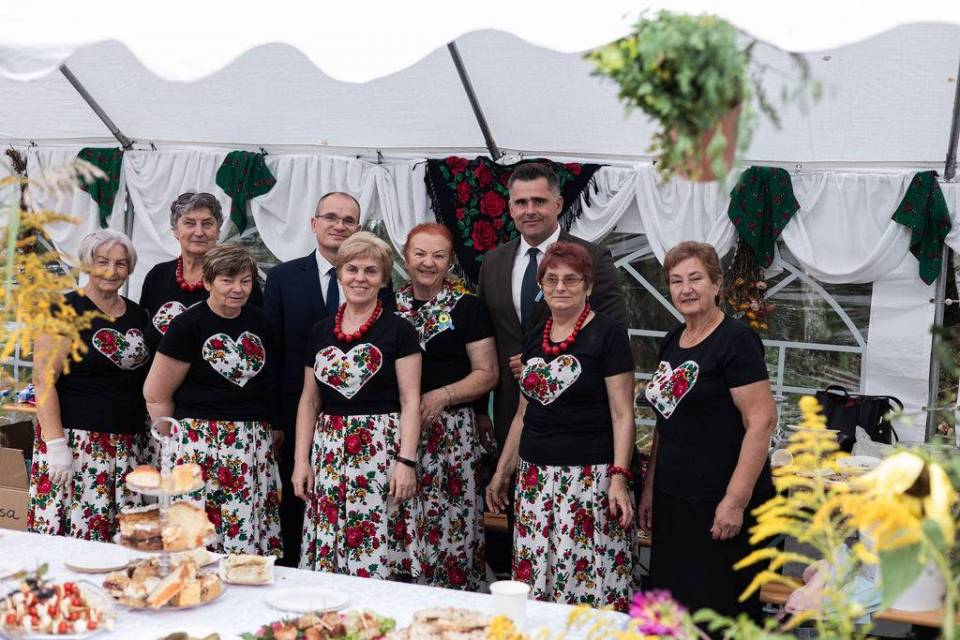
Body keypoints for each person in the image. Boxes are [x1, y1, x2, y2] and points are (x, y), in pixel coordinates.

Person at [486, 242, 636, 610]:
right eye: (551, 279)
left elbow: (622, 414)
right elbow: (523, 412)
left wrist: (619, 477)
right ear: (541, 286)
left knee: (586, 579)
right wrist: (502, 471)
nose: (560, 287)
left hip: (587, 480)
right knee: (537, 578)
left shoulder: (609, 333)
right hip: (535, 479)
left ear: (588, 286)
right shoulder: (537, 334)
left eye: (571, 279)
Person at [638, 241, 776, 622]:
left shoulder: (737, 341)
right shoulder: (672, 341)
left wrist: (735, 501)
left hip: (718, 507)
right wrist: (649, 489)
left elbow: (762, 421)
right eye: (676, 281)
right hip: (674, 503)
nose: (686, 289)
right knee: (672, 613)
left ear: (717, 284)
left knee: (717, 613)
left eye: (695, 278)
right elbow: (665, 422)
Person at [263, 191, 394, 565]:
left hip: (363, 426)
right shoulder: (283, 277)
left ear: (358, 227)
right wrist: (275, 420)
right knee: (298, 501)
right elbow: (272, 352)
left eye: (349, 220)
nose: (339, 225)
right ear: (314, 223)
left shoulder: (377, 283)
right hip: (298, 414)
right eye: (331, 217)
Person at [293, 231, 421, 579]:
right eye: (352, 269)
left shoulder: (400, 330)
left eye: (370, 271)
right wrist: (301, 461)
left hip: (380, 453)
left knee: (376, 544)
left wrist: (406, 462)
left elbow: (411, 400)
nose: (360, 278)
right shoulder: (320, 331)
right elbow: (309, 400)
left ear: (383, 279)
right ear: (339, 273)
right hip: (329, 453)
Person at [143, 244, 282, 556]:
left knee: (242, 525)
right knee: (198, 529)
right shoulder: (187, 325)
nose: (238, 289)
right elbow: (155, 393)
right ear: (208, 282)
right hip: (199, 441)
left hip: (250, 442)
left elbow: (268, 383)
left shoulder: (261, 323)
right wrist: (173, 445)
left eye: (245, 281)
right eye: (227, 280)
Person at [476, 162, 627, 447]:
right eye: (521, 202)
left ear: (558, 205)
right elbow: (482, 338)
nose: (530, 210)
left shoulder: (593, 258)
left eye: (539, 201)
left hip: (575, 411)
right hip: (508, 409)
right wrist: (481, 410)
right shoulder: (493, 262)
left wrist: (543, 364)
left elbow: (614, 333)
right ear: (510, 209)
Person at [28, 230, 151, 541]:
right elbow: (43, 381)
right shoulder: (63, 310)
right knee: (75, 537)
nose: (112, 271)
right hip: (78, 444)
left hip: (128, 445)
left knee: (121, 541)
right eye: (102, 262)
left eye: (121, 264)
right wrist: (56, 445)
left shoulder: (138, 315)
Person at [394, 223, 498, 590]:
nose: (428, 262)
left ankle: (452, 601)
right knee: (400, 522)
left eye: (438, 255)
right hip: (398, 434)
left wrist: (443, 395)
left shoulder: (468, 308)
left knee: (451, 528)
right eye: (420, 253)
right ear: (406, 256)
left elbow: (488, 373)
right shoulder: (387, 305)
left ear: (450, 261)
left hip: (451, 437)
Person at [140, 191, 262, 352]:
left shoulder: (239, 283)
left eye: (207, 224)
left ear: (218, 231)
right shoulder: (157, 275)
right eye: (189, 223)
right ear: (175, 230)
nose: (199, 232)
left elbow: (255, 338)